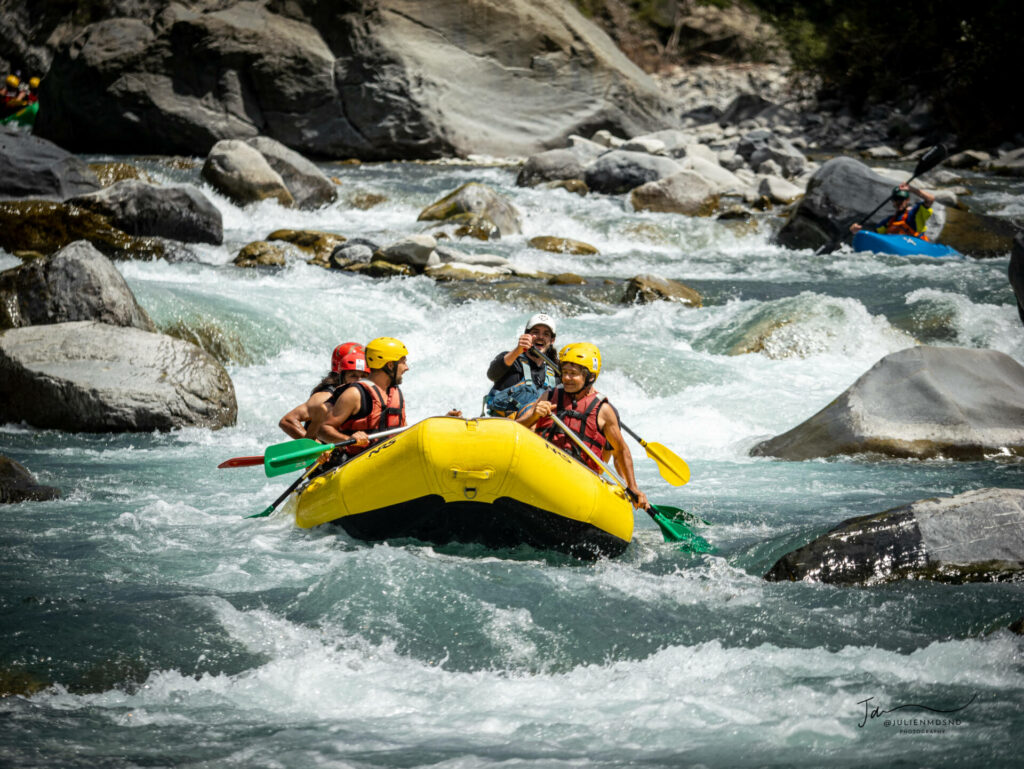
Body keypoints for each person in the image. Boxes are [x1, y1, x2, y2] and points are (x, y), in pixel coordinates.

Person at [517, 342, 649, 510]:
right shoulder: (549, 396)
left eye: (573, 374)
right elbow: (517, 428)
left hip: (581, 480)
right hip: (546, 468)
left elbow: (620, 451)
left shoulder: (604, 411)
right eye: (564, 373)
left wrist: (632, 486)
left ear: (589, 377)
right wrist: (535, 414)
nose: (566, 378)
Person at [277, 342, 367, 439]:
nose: (360, 380)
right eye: (353, 375)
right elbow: (287, 421)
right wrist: (315, 446)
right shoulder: (325, 396)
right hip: (323, 448)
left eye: (363, 375)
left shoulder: (358, 391)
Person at [484, 312, 559, 417]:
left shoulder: (555, 371)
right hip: (504, 426)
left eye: (546, 334)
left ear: (552, 340)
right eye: (535, 332)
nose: (540, 337)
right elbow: (492, 375)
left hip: (534, 429)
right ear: (526, 335)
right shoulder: (511, 359)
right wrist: (518, 350)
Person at [850, 182, 936, 240]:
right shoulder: (889, 221)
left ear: (907, 200)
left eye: (902, 199)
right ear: (893, 202)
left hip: (916, 245)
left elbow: (930, 199)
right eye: (896, 199)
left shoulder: (916, 213)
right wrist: (857, 231)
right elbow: (874, 235)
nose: (899, 202)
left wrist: (911, 189)